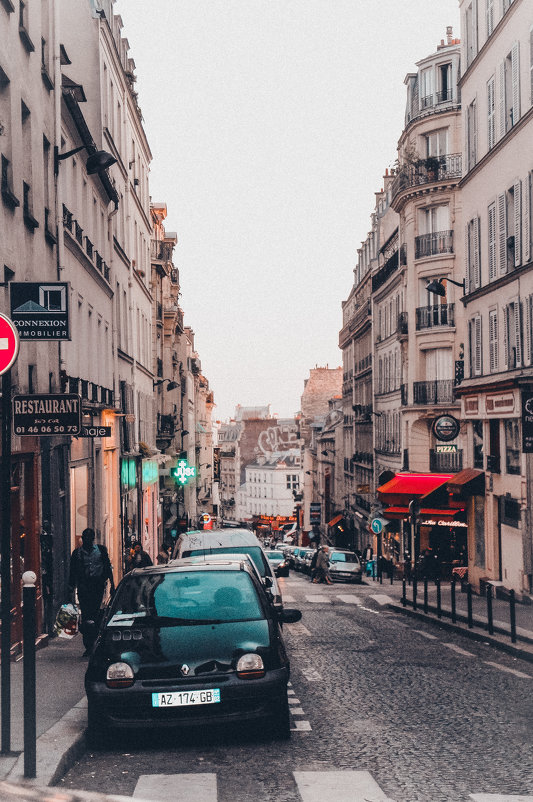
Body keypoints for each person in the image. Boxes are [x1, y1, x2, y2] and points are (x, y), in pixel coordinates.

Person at [68, 528, 114, 656]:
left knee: (95, 616)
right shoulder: (77, 553)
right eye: (85, 538)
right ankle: (88, 645)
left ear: (93, 539)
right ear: (82, 538)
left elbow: (108, 567)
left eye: (90, 538)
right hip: (84, 588)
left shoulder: (101, 551)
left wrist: (112, 585)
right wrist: (71, 588)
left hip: (97, 587)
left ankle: (94, 643)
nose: (87, 540)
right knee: (87, 616)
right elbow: (72, 572)